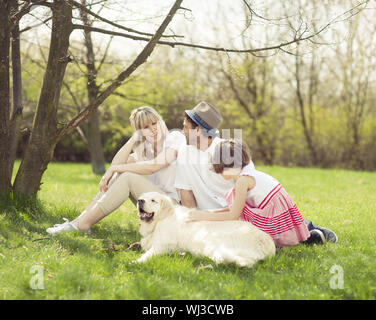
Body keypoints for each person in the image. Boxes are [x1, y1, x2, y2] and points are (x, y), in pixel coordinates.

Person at [176, 102, 338, 245]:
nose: (182, 131)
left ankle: (306, 228)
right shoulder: (184, 152)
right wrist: (194, 220)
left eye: (184, 126)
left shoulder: (227, 152)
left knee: (261, 236)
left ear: (197, 130)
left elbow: (253, 192)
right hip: (213, 215)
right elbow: (185, 191)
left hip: (239, 213)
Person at [46, 106, 185, 236]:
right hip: (155, 204)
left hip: (174, 208)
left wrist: (114, 168)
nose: (153, 129)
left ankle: (82, 225)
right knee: (122, 174)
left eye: (154, 123)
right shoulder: (145, 150)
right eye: (146, 127)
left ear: (160, 121)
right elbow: (117, 164)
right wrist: (133, 139)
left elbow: (153, 166)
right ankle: (78, 222)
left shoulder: (174, 138)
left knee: (128, 177)